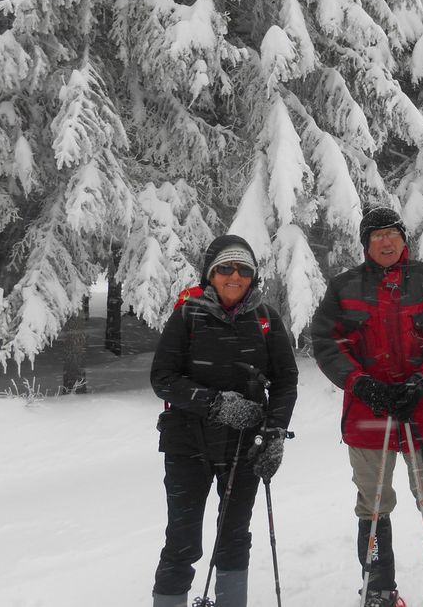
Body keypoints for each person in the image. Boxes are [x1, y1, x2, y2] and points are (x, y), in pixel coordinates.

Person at [310, 206, 423, 607]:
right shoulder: (345, 288)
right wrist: (360, 384)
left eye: (392, 234)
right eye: (376, 235)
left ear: (404, 240)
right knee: (374, 505)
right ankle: (379, 591)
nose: (385, 241)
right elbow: (328, 341)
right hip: (368, 414)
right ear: (366, 244)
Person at [150, 234, 298, 607]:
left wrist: (274, 433)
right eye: (226, 268)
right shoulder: (188, 313)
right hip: (187, 444)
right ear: (210, 273)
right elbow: (163, 379)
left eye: (244, 269)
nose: (235, 276)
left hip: (244, 446)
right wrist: (216, 404)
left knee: (234, 535)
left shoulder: (266, 319)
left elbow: (285, 381)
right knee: (182, 540)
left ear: (254, 275)